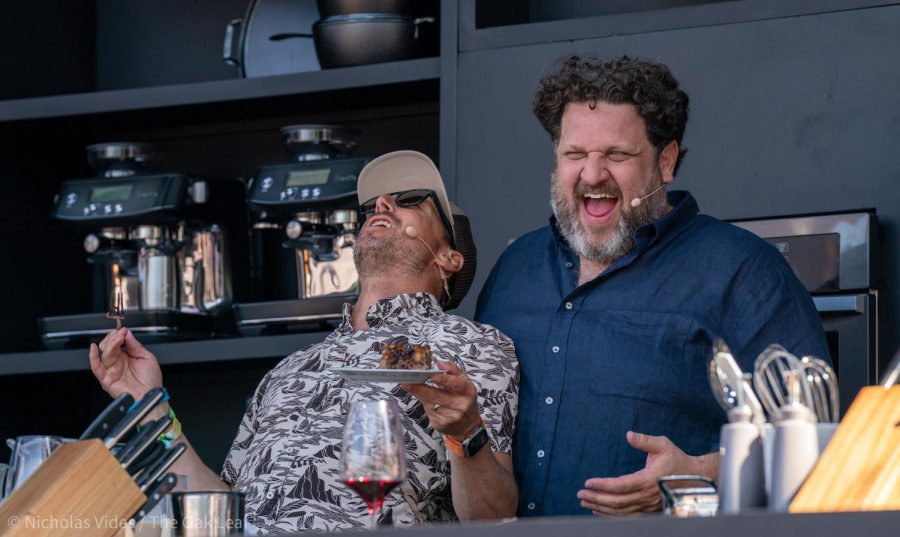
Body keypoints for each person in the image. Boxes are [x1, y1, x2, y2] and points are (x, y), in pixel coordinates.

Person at [89, 150, 519, 533]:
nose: (382, 204)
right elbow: (224, 511)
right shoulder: (289, 370)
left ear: (449, 257)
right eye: (370, 205)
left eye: (409, 200)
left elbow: (493, 520)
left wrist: (466, 434)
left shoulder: (471, 345)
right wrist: (150, 409)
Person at [474, 55, 830, 517]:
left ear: (666, 161)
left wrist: (702, 472)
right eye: (575, 154)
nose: (592, 174)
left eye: (617, 155)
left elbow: (816, 439)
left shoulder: (742, 270)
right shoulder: (514, 269)